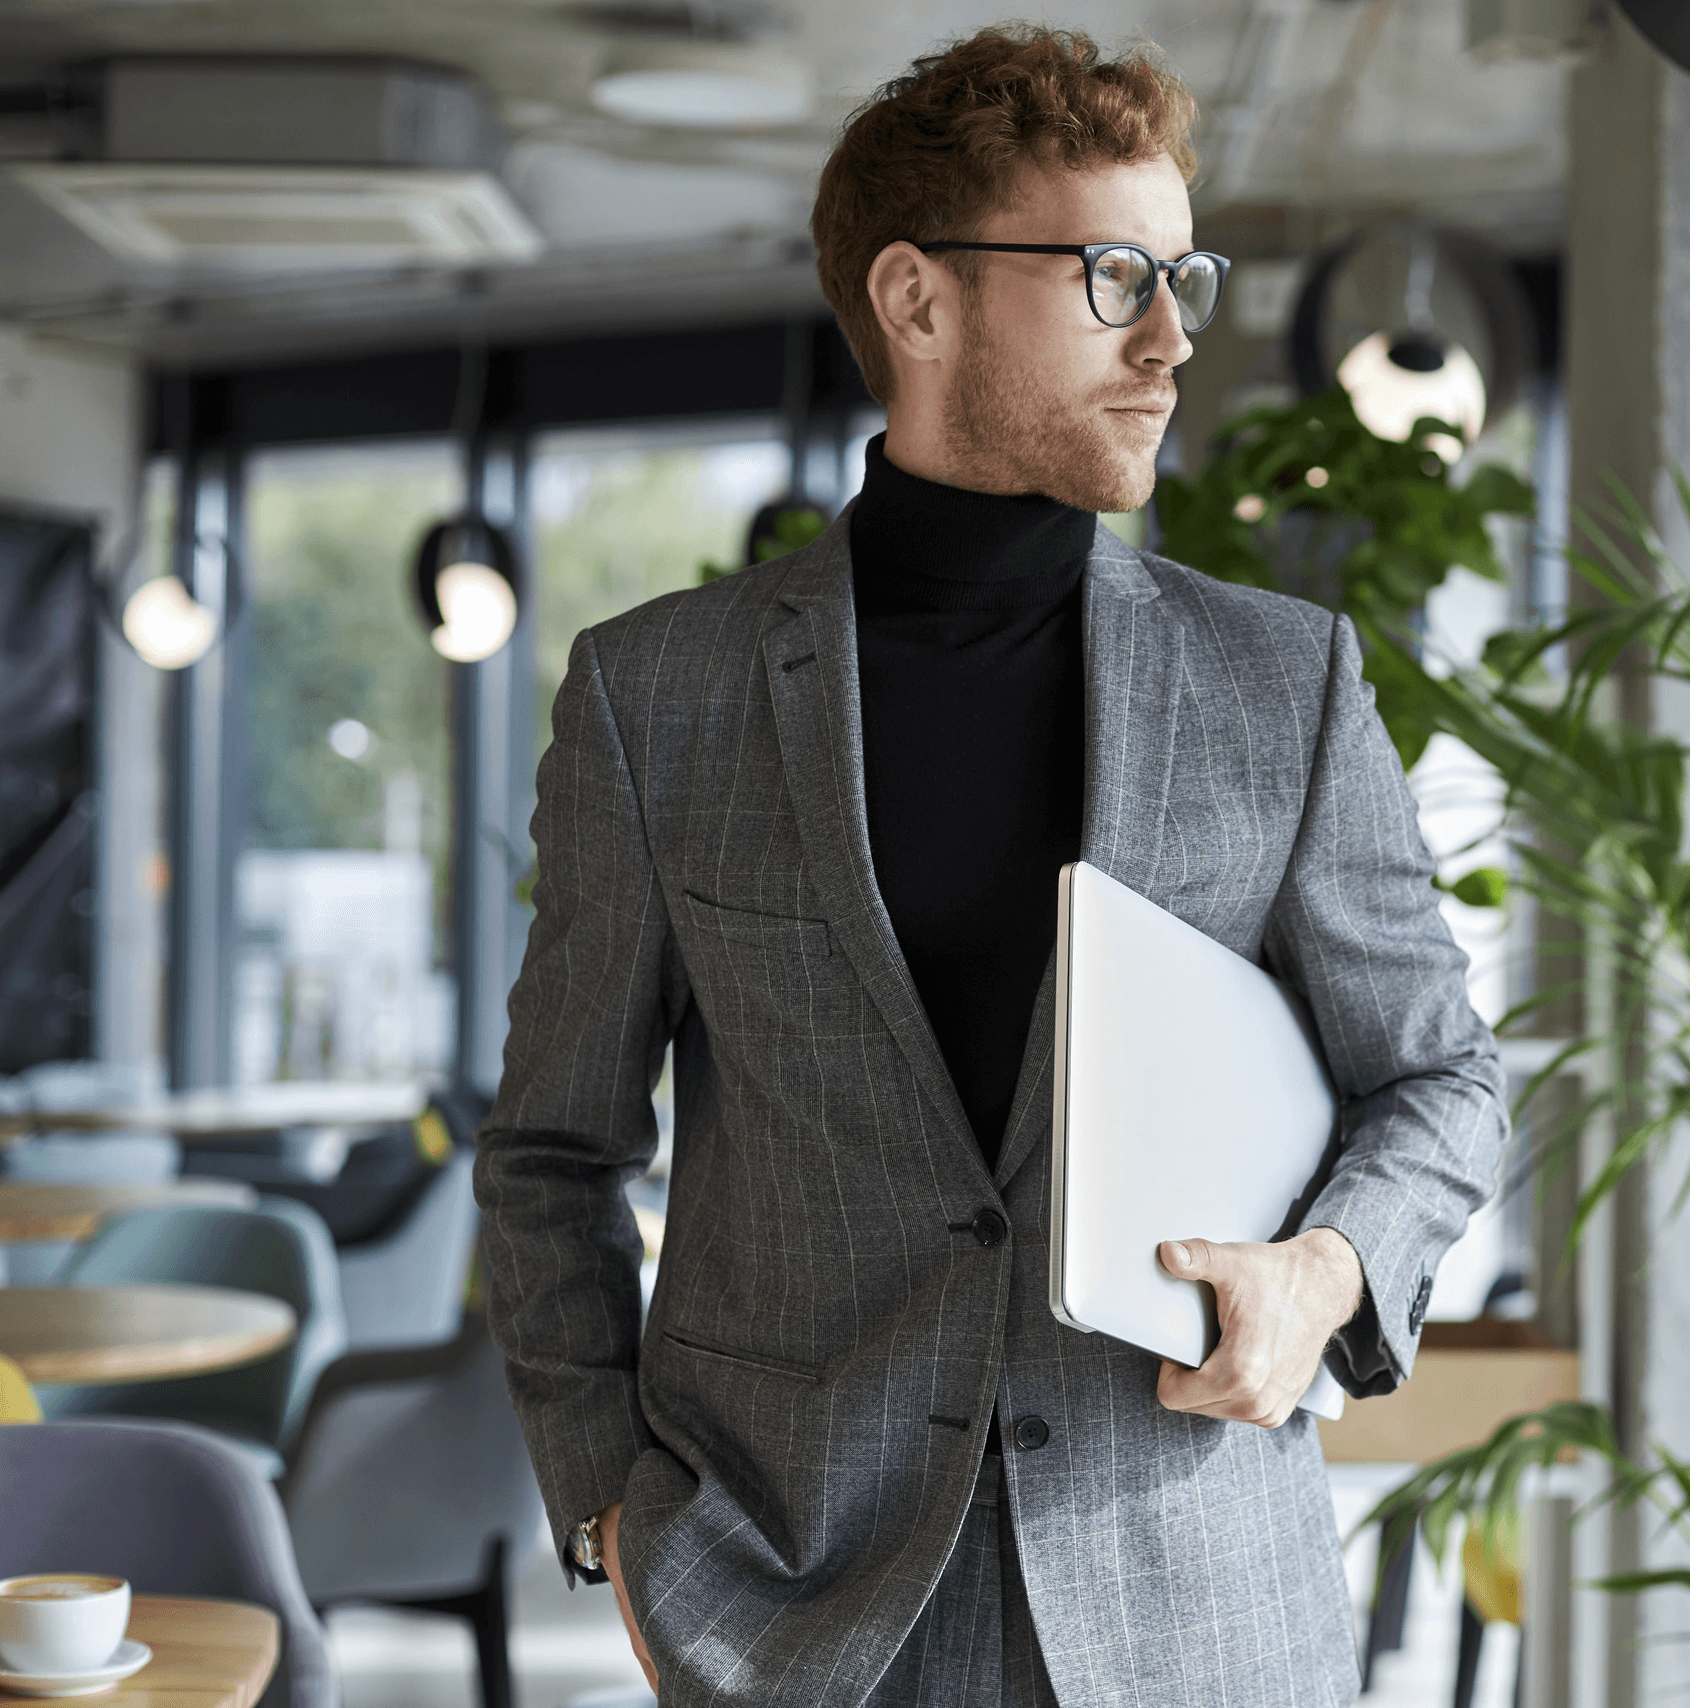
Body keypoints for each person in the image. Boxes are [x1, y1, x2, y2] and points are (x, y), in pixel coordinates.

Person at [475, 25, 1506, 1708]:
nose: (1172, 338)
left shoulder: (1284, 683)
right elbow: (550, 1149)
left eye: (1186, 275)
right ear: (919, 299)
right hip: (794, 1612)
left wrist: (1324, 1276)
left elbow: (1442, 1081)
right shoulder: (657, 695)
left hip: (1196, 1618)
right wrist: (614, 1517)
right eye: (1113, 274)